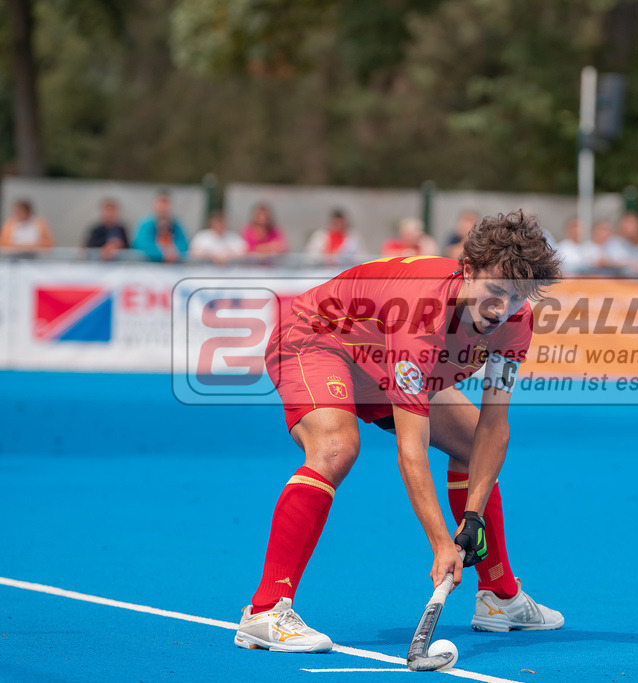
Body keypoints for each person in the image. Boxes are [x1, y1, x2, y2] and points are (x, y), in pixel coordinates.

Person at [234, 210, 565, 652]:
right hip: (316, 337)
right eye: (494, 292)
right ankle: (266, 610)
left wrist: (472, 518)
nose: (500, 309)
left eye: (515, 297)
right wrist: (441, 543)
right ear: (467, 270)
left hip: (379, 361)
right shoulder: (419, 316)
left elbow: (494, 428)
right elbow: (413, 449)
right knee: (335, 448)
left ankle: (499, 596)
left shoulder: (515, 322)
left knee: (471, 442)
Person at [132, 191, 189, 263]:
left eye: (166, 203)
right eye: (161, 202)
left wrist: (174, 252)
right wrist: (163, 252)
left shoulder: (177, 224)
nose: (163, 206)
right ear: (154, 204)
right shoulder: (145, 224)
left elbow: (184, 244)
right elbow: (140, 245)